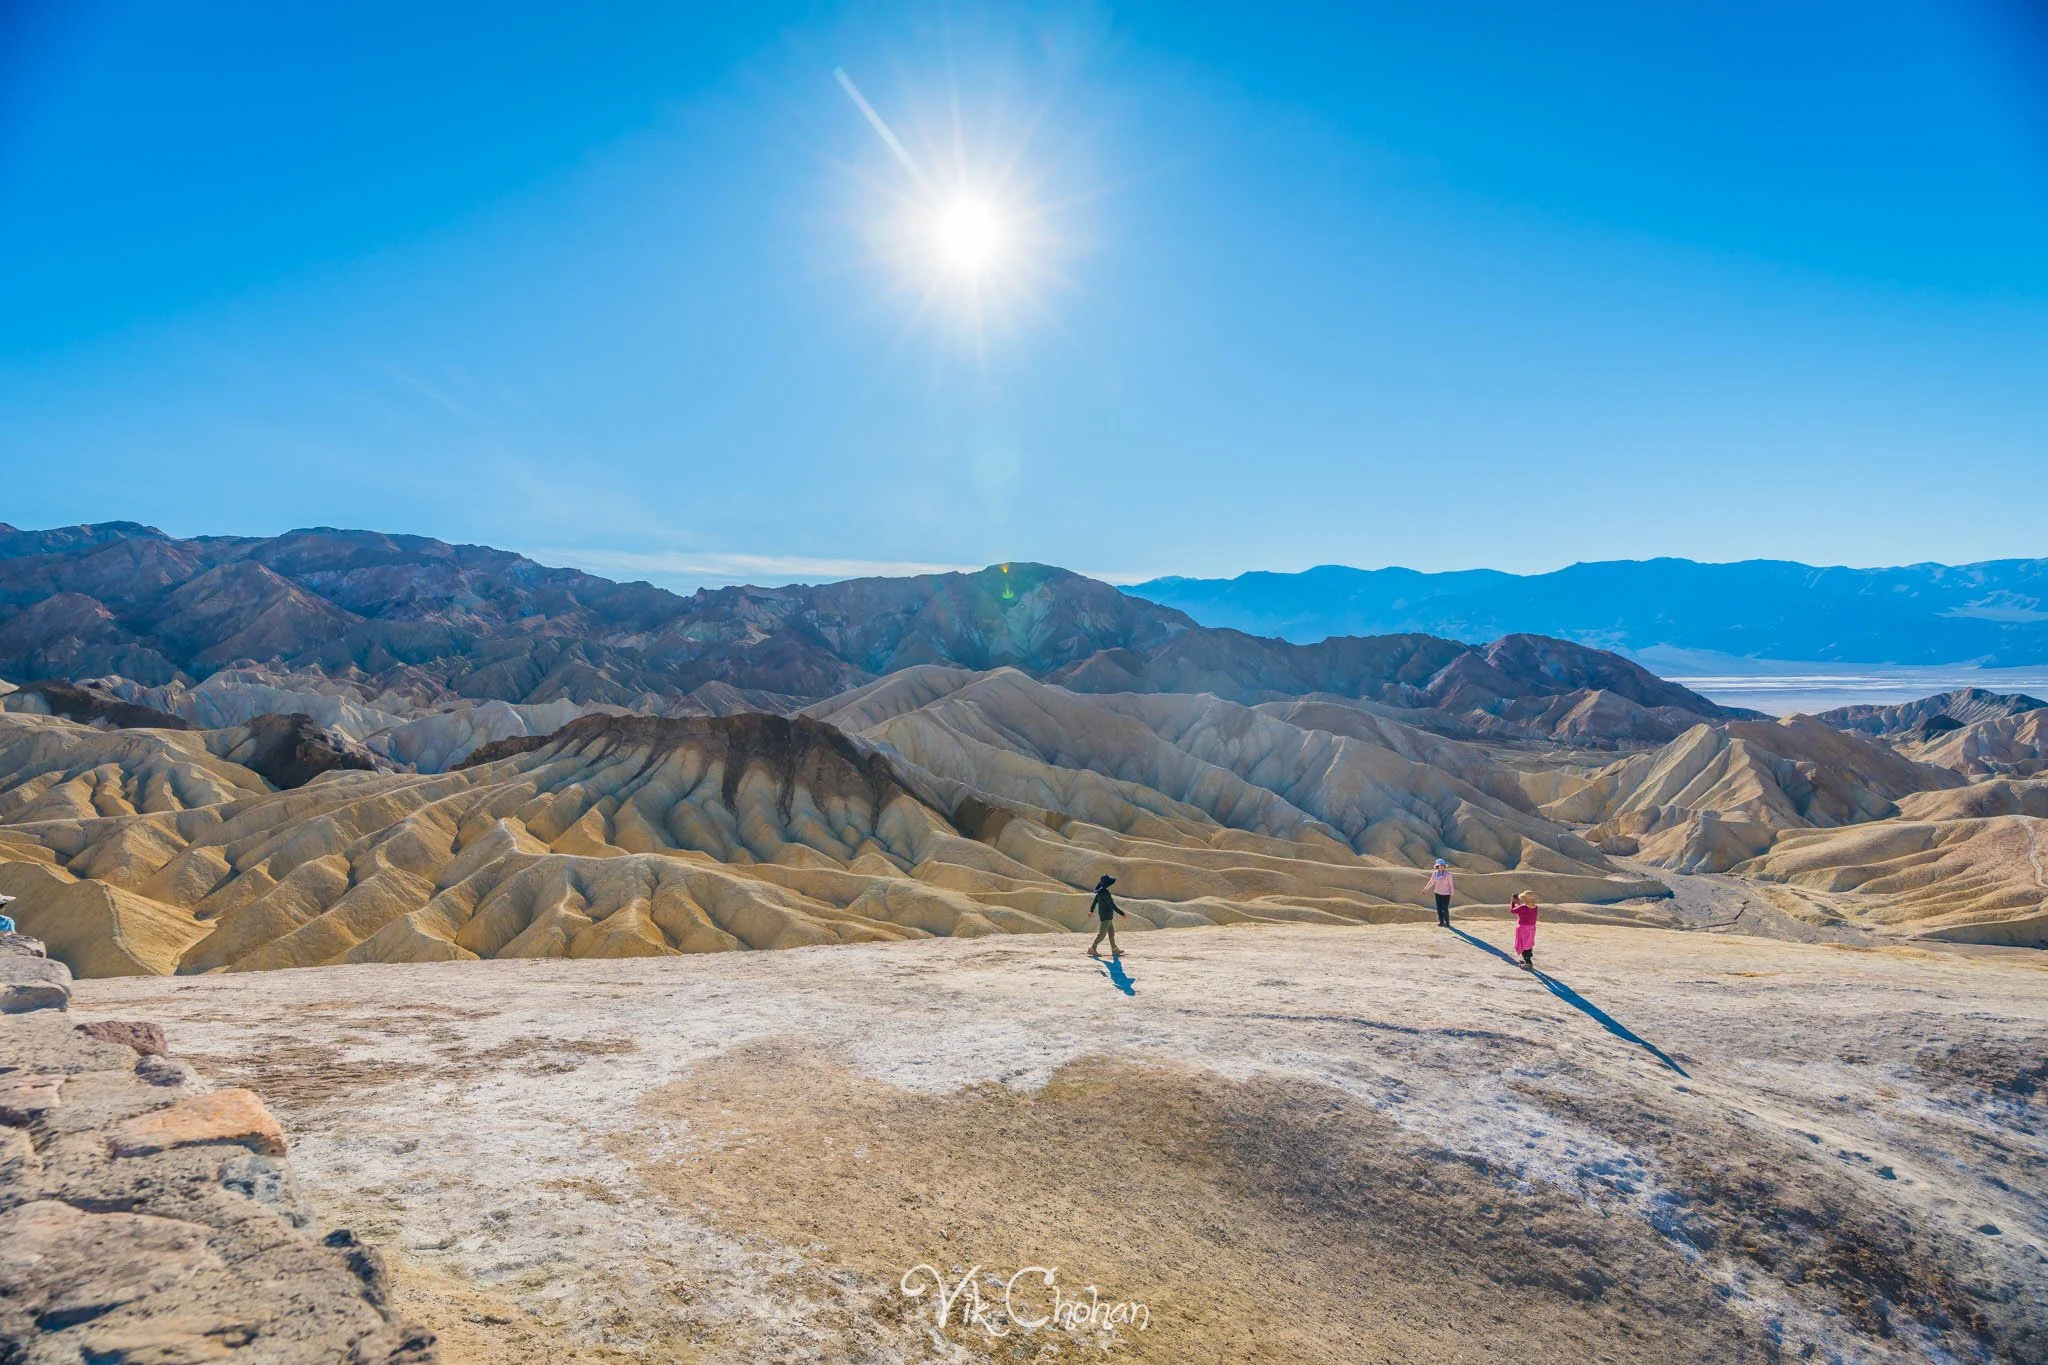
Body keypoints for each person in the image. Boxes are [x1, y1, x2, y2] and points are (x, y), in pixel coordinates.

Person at [1087, 874, 1126, 959]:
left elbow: (1094, 902)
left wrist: (1091, 910)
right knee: (1102, 934)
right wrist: (1122, 913)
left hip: (1106, 916)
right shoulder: (1105, 893)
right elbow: (1112, 905)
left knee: (1111, 932)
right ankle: (1092, 948)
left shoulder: (1100, 892)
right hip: (1106, 916)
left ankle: (1114, 949)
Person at [1510, 890, 1540, 969]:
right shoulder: (1535, 907)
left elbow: (1513, 911)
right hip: (1532, 928)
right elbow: (1524, 909)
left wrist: (1513, 902)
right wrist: (1518, 904)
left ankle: (1528, 963)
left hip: (1523, 928)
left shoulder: (1523, 907)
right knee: (1528, 944)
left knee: (1522, 944)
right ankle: (1528, 960)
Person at [1425, 859, 1455, 927]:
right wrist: (1426, 889)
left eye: (1442, 866)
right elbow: (1431, 882)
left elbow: (1451, 885)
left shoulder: (1448, 874)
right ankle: (1441, 922)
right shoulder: (1435, 874)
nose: (1441, 867)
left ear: (1444, 866)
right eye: (1440, 866)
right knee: (1439, 908)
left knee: (1445, 908)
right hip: (1437, 893)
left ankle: (1447, 923)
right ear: (1437, 867)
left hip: (1446, 894)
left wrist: (1452, 894)